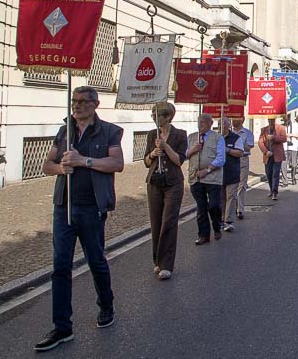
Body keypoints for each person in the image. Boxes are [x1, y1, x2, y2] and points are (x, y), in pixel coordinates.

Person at [35, 86, 124, 352]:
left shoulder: (109, 131)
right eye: (74, 101)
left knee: (96, 260)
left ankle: (106, 304)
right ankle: (62, 327)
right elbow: (46, 165)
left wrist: (84, 161)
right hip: (64, 206)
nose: (77, 106)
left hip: (92, 206)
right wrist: (60, 168)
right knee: (60, 266)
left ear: (95, 104)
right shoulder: (65, 131)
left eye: (83, 101)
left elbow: (116, 164)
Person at [143, 102, 187, 281]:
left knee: (169, 221)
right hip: (154, 181)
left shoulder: (180, 135)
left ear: (168, 117)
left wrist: (166, 147)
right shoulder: (151, 134)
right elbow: (146, 161)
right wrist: (153, 153)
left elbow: (179, 160)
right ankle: (157, 260)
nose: (154, 118)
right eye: (153, 115)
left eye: (158, 115)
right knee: (156, 222)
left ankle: (167, 264)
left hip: (173, 182)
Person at [186, 114, 226, 245]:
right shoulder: (192, 137)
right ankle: (203, 235)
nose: (200, 124)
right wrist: (193, 150)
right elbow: (183, 155)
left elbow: (221, 158)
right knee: (201, 208)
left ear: (210, 123)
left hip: (212, 178)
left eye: (203, 122)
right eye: (199, 122)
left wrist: (207, 170)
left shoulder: (217, 138)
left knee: (213, 205)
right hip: (195, 177)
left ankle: (217, 225)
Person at [220, 117, 243, 232]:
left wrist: (228, 150)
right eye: (219, 124)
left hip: (232, 171)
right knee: (221, 197)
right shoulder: (216, 138)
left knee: (231, 197)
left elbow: (240, 153)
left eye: (222, 125)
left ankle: (228, 221)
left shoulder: (236, 138)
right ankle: (221, 219)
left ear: (227, 126)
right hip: (218, 172)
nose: (220, 127)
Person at [231, 119, 255, 221]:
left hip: (243, 159)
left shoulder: (247, 133)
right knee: (231, 186)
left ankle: (240, 209)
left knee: (242, 185)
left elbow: (248, 147)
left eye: (236, 118)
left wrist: (236, 143)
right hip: (231, 159)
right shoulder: (229, 132)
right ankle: (231, 208)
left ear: (242, 119)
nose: (234, 121)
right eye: (233, 118)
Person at [259, 117, 287, 200]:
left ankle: (275, 192)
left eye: (272, 120)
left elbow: (284, 138)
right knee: (269, 174)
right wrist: (265, 151)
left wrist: (274, 137)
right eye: (269, 120)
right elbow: (261, 142)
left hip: (277, 155)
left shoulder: (281, 128)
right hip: (268, 155)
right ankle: (271, 190)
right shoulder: (264, 129)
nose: (271, 122)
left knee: (275, 174)